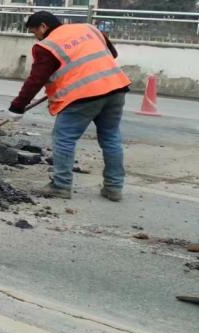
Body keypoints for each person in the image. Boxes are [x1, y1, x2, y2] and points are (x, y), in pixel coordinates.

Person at [10, 10, 131, 200]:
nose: (36, 37)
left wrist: (18, 105)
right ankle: (114, 188)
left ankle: (61, 186)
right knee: (111, 139)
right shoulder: (88, 28)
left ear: (43, 26)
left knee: (64, 138)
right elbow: (111, 54)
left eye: (35, 32)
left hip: (82, 96)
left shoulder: (47, 46)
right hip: (115, 88)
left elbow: (36, 79)